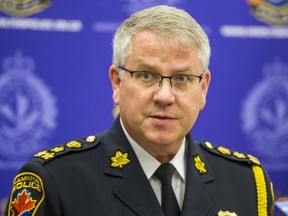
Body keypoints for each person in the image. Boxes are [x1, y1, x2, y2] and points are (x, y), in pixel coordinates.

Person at [5, 5, 274, 216]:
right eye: (146, 75)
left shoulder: (246, 182)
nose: (164, 96)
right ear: (117, 82)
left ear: (203, 88)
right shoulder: (53, 181)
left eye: (182, 78)